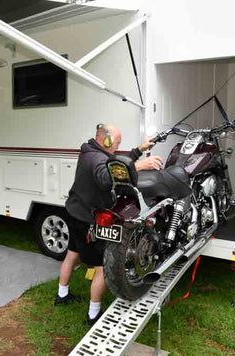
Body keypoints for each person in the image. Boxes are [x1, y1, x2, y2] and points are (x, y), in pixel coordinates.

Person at [55, 123, 163, 325]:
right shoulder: (96, 158)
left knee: (72, 254)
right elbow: (106, 177)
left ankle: (62, 295)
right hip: (88, 218)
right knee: (101, 268)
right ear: (108, 140)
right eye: (118, 142)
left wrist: (139, 150)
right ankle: (93, 314)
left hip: (73, 211)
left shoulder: (90, 149)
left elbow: (114, 164)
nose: (118, 145)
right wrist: (140, 166)